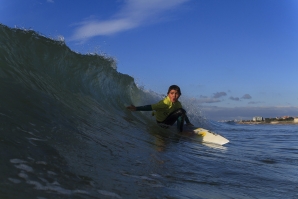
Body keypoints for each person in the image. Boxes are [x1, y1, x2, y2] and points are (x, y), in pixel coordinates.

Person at [127, 85, 193, 132]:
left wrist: (188, 122)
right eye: (172, 93)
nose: (174, 95)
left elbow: (183, 113)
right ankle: (180, 132)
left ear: (179, 95)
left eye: (176, 94)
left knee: (181, 111)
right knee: (180, 111)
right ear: (168, 94)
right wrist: (136, 108)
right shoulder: (164, 103)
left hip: (167, 122)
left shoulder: (178, 104)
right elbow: (151, 107)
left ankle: (183, 126)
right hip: (162, 124)